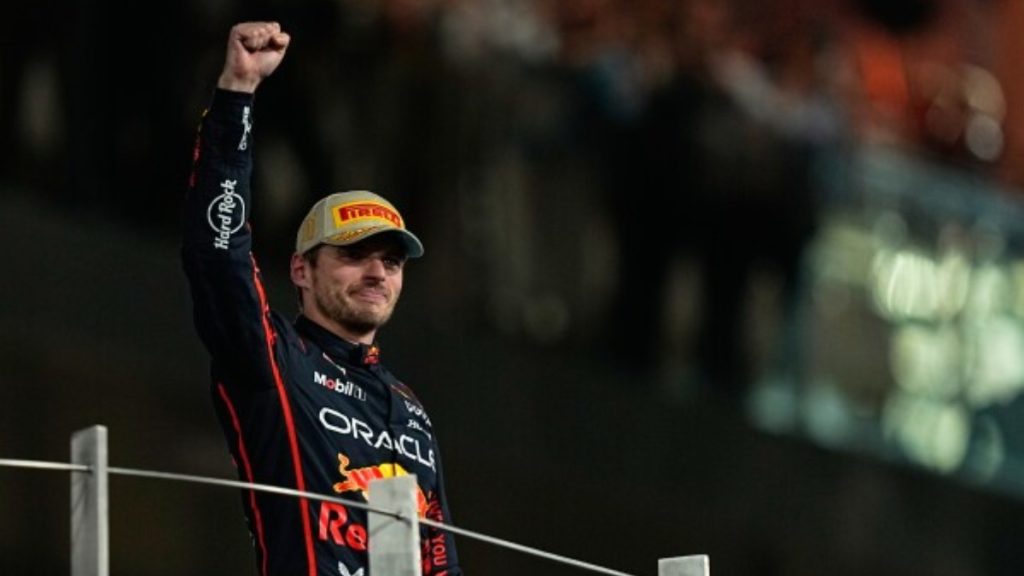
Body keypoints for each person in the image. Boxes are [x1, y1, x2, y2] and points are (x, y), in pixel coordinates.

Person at [181, 21, 461, 576]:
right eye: (355, 255)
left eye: (391, 262)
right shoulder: (274, 360)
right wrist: (238, 92)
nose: (377, 272)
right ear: (301, 270)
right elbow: (218, 257)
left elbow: (440, 559)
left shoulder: (410, 409)